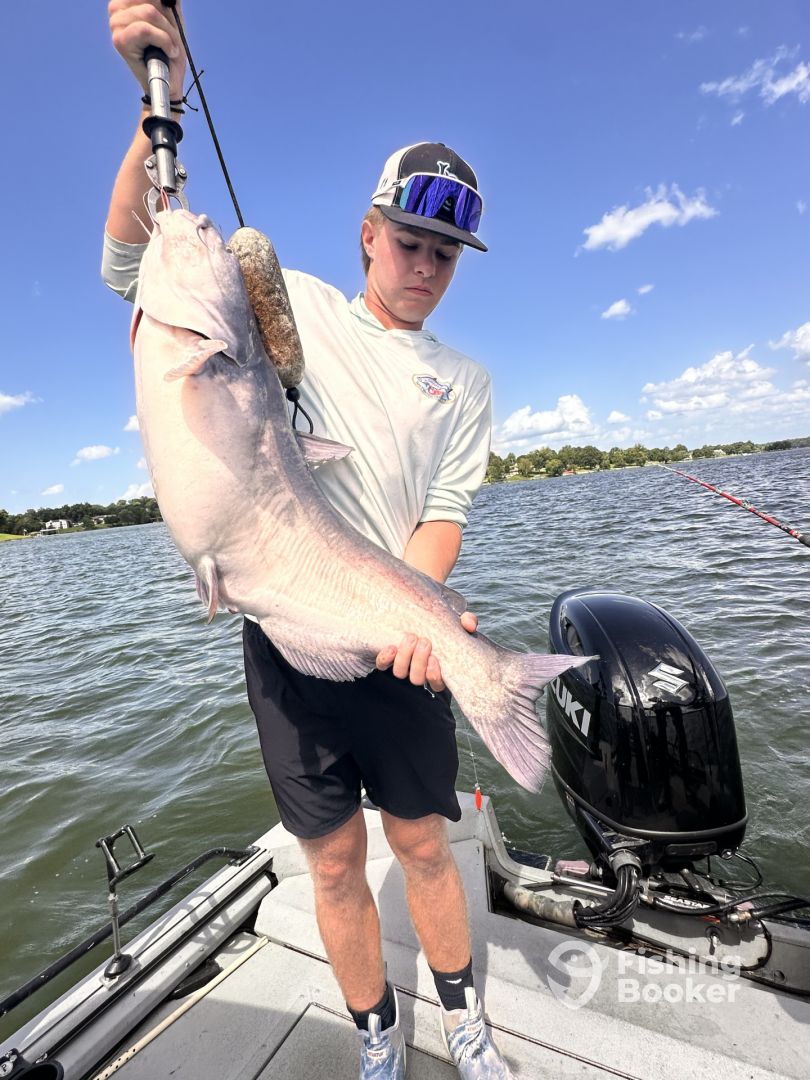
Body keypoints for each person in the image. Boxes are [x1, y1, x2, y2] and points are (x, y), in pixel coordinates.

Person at [104, 4, 511, 1077]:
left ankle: (464, 1020)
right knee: (331, 861)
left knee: (424, 844)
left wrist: (418, 622)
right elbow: (133, 257)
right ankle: (377, 1035)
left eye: (446, 254)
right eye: (410, 241)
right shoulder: (297, 308)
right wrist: (156, 104)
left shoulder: (466, 381)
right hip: (286, 631)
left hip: (400, 639)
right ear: (369, 231)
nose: (426, 266)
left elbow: (442, 514)